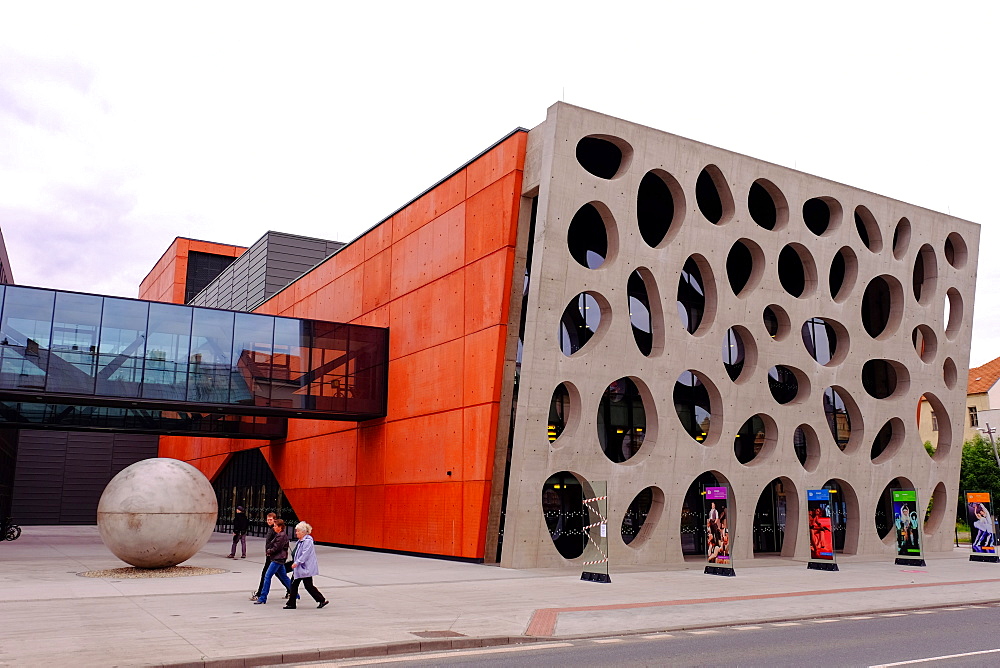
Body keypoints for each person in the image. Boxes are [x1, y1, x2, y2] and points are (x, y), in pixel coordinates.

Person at [284, 521, 329, 610]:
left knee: (305, 585)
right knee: (297, 585)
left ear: (303, 532)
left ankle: (321, 599)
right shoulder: (300, 541)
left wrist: (297, 563)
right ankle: (292, 603)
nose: (296, 533)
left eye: (297, 531)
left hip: (304, 568)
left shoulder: (307, 542)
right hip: (300, 568)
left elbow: (305, 554)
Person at [254, 519, 292, 604]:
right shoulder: (280, 535)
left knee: (267, 576)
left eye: (275, 526)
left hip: (277, 559)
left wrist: (269, 551)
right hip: (278, 558)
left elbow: (276, 548)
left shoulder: (281, 536)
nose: (274, 527)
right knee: (284, 577)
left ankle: (263, 597)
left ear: (280, 527)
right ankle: (295, 593)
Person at [250, 513, 277, 601]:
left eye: (270, 520)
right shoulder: (271, 529)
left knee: (265, 574)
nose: (269, 521)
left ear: (274, 520)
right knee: (281, 575)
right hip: (271, 555)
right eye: (268, 519)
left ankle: (260, 593)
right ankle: (291, 591)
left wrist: (270, 551)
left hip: (272, 556)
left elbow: (277, 543)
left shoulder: (275, 529)